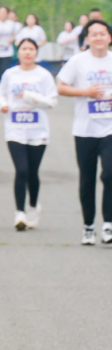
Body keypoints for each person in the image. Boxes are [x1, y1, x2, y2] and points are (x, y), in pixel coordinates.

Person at [57, 19, 112, 245]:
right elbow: (60, 87)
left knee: (109, 174)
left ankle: (108, 225)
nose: (98, 37)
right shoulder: (77, 61)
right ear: (86, 39)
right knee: (87, 179)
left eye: (103, 33)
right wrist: (85, 91)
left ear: (110, 37)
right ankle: (88, 226)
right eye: (93, 34)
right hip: (85, 129)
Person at [2, 38, 57, 230]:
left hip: (38, 130)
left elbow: (51, 101)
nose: (27, 52)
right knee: (22, 170)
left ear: (36, 52)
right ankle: (20, 213)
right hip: (15, 129)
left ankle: (33, 206)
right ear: (18, 52)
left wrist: (28, 96)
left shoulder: (43, 75)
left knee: (33, 172)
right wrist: (3, 105)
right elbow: (2, 94)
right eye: (24, 49)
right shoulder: (10, 74)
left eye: (31, 49)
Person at [0, 7, 19, 74]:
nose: (2, 14)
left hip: (7, 51)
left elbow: (16, 33)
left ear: (7, 14)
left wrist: (12, 39)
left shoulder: (11, 24)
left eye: (4, 12)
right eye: (1, 12)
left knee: (4, 70)